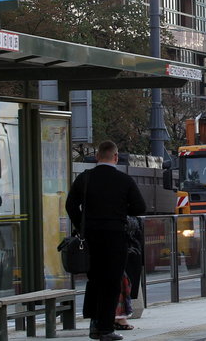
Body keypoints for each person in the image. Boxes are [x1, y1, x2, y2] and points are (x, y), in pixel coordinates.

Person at [66, 141, 146, 341]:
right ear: (116, 157)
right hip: (115, 236)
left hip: (91, 236)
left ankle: (94, 324)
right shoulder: (124, 180)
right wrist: (119, 211)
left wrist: (81, 226)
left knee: (94, 281)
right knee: (111, 282)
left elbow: (71, 205)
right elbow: (140, 207)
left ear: (96, 157)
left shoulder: (85, 178)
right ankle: (105, 328)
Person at [114, 216, 143, 331]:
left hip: (124, 248)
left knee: (121, 282)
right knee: (122, 283)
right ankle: (119, 317)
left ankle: (117, 317)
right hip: (125, 249)